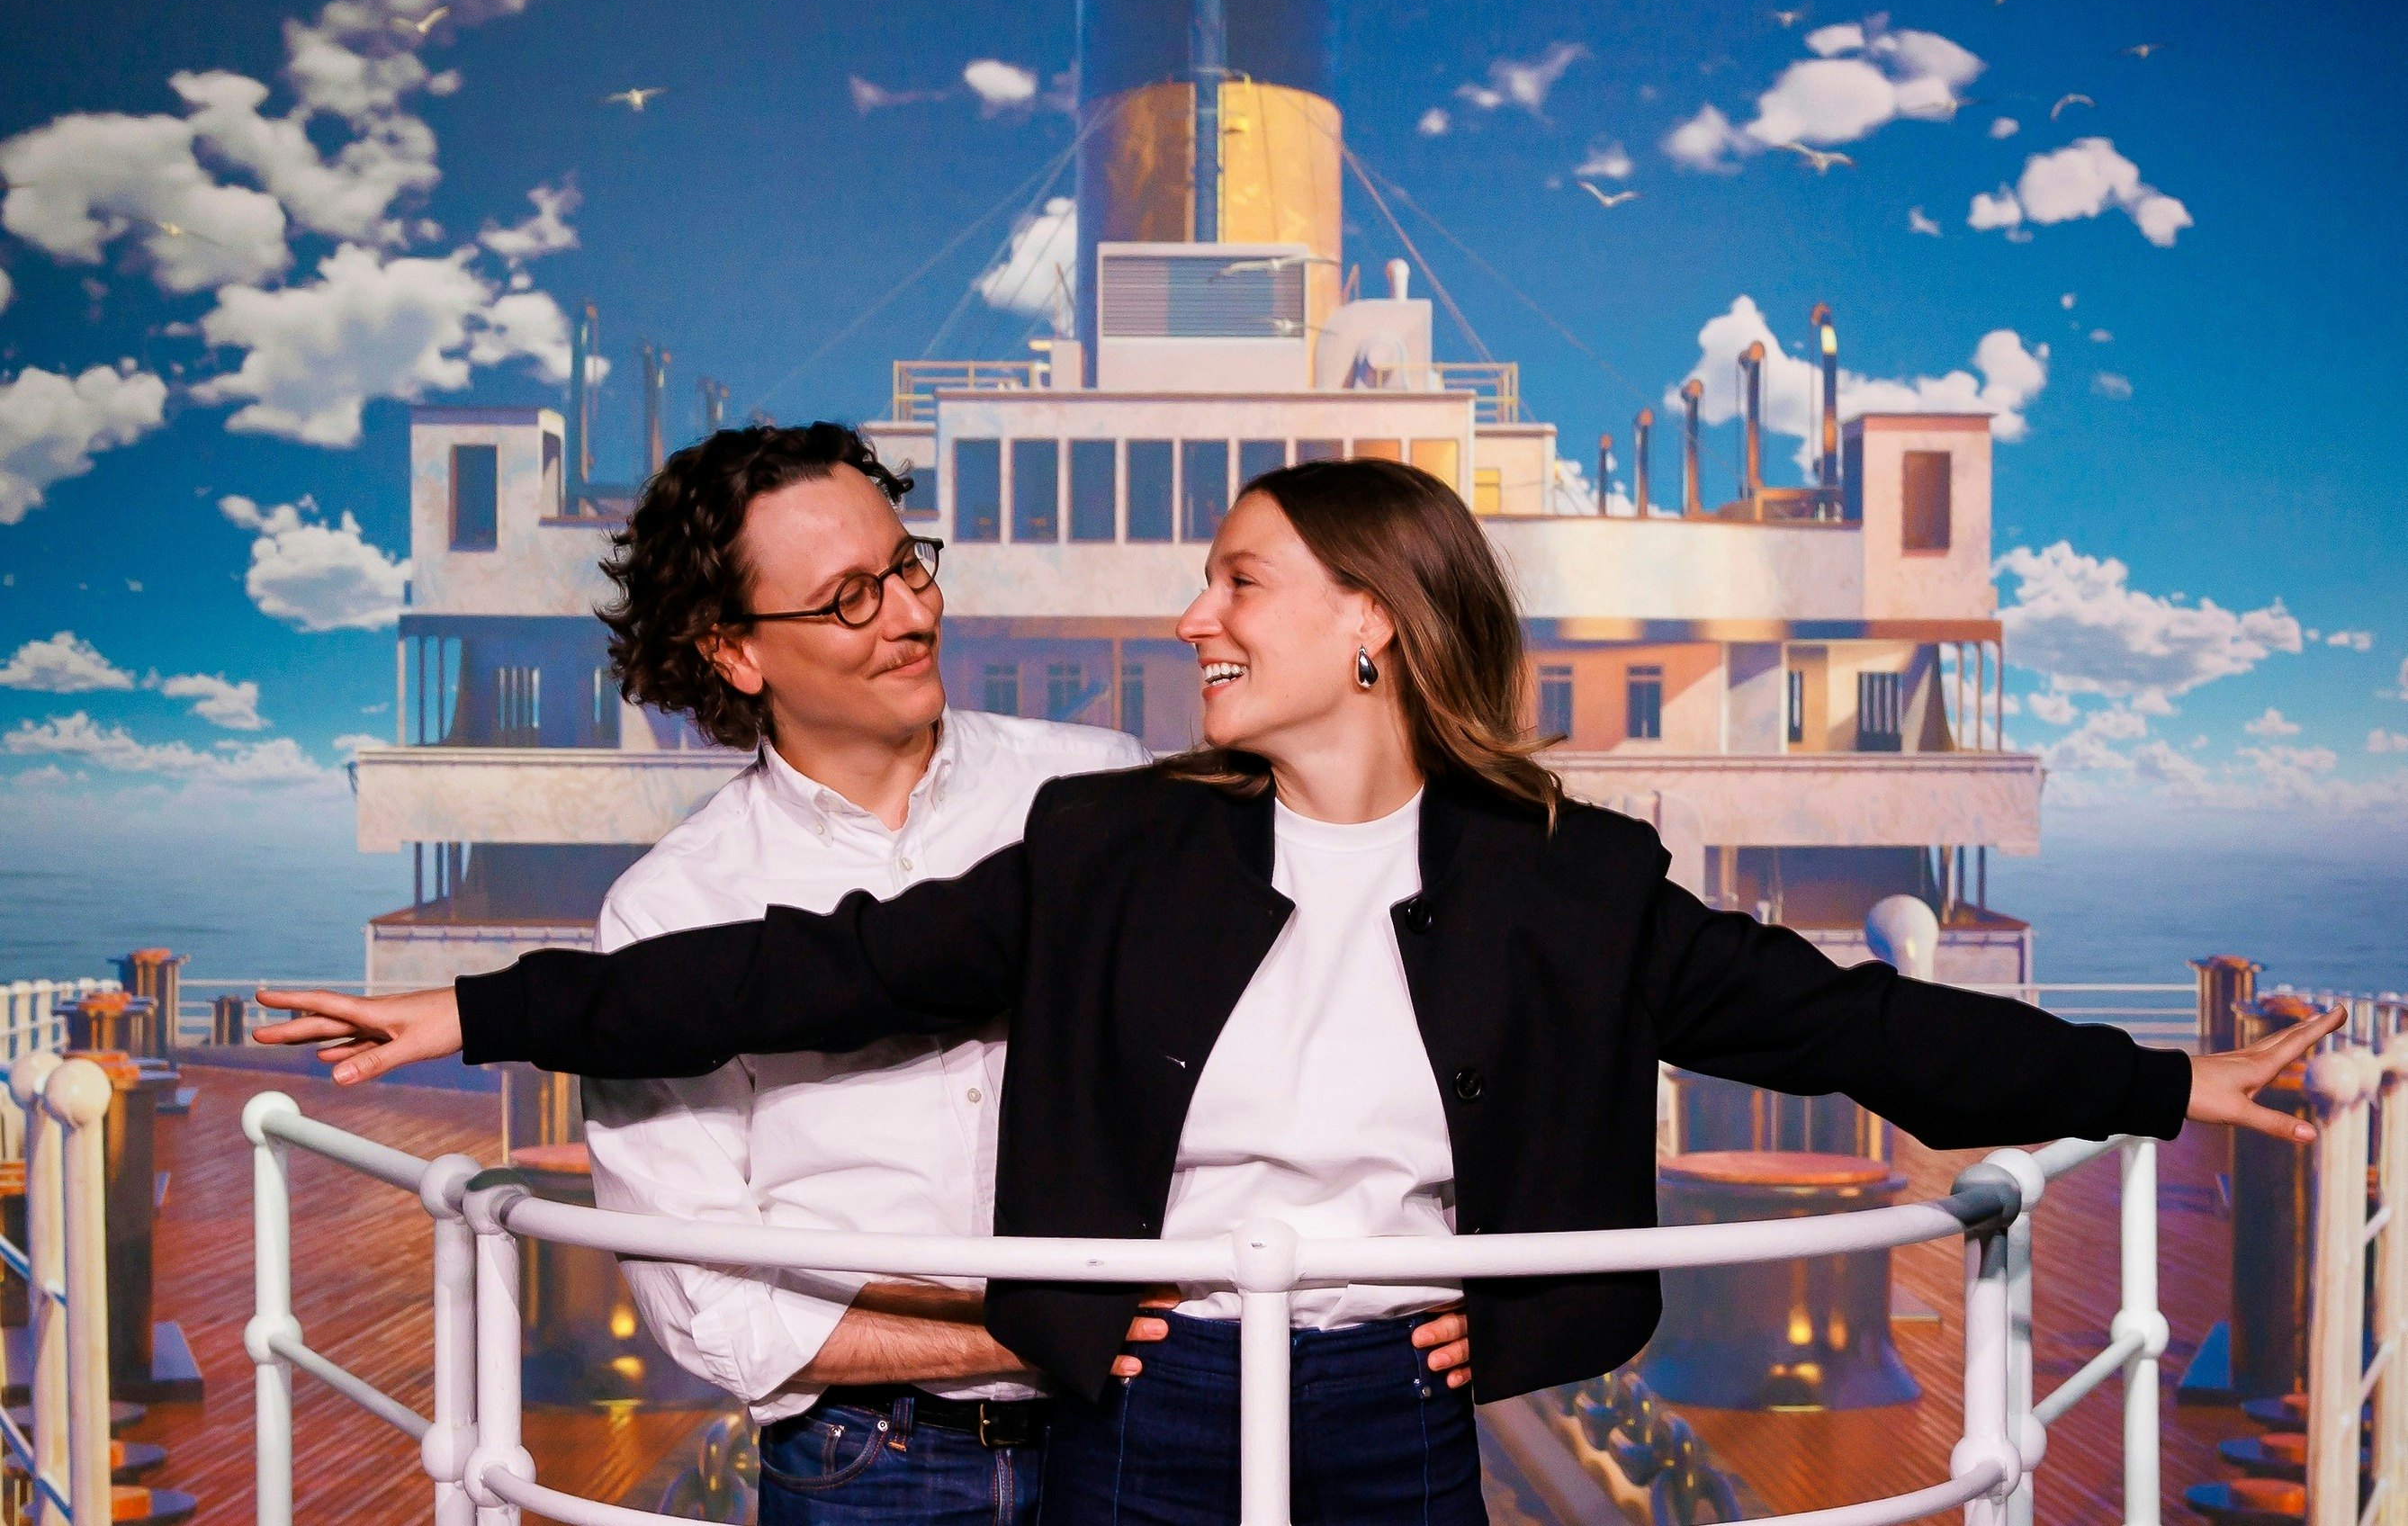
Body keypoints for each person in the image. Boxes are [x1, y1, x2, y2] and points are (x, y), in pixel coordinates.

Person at [264, 458, 2335, 1526]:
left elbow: (1855, 1029)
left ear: (1372, 626)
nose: (1193, 615)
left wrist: (2170, 1087)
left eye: (1238, 579)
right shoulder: (1114, 846)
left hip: (1391, 1401)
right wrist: (480, 1012)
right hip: (1145, 1387)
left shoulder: (1576, 881)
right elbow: (821, 966)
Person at [571, 421, 1157, 1524]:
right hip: (864, 1468)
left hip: (1137, 1430)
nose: (912, 614)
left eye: (907, 565)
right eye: (849, 598)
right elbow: (705, 1297)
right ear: (734, 652)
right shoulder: (671, 908)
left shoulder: (1104, 786)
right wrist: (1030, 1334)